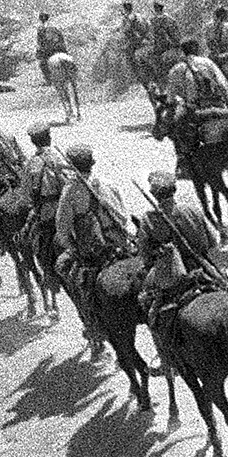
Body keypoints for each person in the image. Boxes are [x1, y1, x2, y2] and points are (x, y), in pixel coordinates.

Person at [136, 169, 225, 363]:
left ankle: (166, 357)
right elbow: (212, 242)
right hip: (203, 266)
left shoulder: (149, 219)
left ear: (153, 194)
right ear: (174, 190)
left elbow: (143, 255)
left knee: (151, 310)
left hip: (173, 274)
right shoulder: (192, 209)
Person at [53, 143, 133, 353]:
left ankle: (93, 328)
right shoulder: (107, 184)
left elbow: (62, 231)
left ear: (72, 167)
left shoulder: (70, 192)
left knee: (68, 273)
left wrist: (73, 249)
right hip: (119, 246)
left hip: (93, 253)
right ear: (92, 164)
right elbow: (124, 218)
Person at [20, 122, 70, 321]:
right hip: (68, 208)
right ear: (49, 137)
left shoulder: (31, 164)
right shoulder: (60, 156)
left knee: (42, 249)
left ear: (33, 141)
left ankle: (50, 280)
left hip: (48, 214)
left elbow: (25, 196)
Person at [166, 37, 228, 115]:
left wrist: (171, 104)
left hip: (196, 112)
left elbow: (171, 97)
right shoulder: (207, 62)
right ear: (197, 48)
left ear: (183, 51)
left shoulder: (176, 69)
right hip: (218, 107)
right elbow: (223, 84)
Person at [35, 12, 69, 84]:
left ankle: (48, 80)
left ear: (40, 19)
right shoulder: (55, 27)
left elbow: (41, 43)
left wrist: (39, 52)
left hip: (50, 49)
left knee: (42, 64)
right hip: (60, 48)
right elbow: (61, 38)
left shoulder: (41, 28)